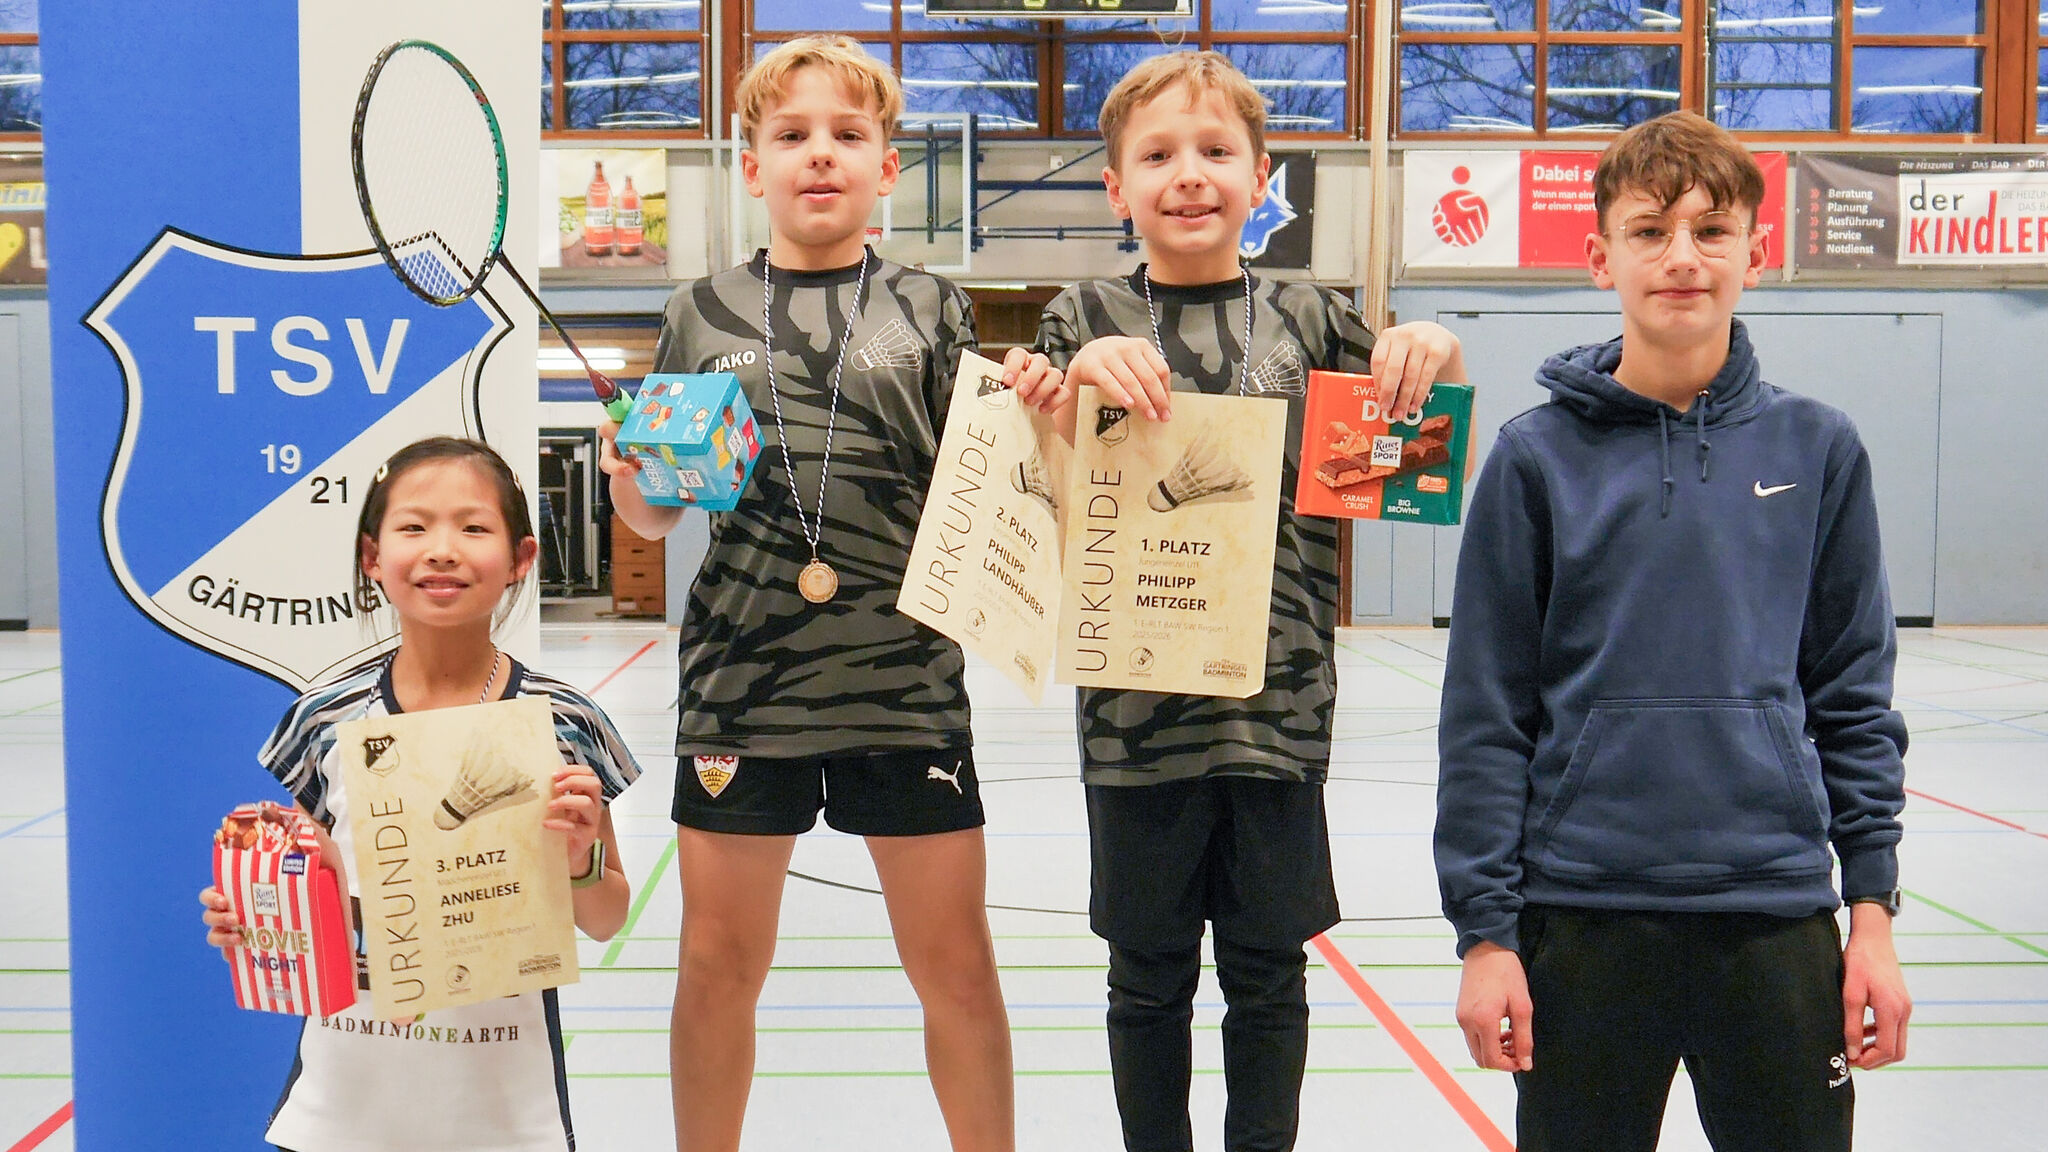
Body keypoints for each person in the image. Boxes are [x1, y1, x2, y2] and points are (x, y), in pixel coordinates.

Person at [596, 35, 1062, 1152]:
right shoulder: (699, 311)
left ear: (887, 168)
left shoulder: (931, 306)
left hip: (904, 682)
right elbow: (656, 516)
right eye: (791, 134)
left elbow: (993, 483)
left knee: (956, 965)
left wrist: (1042, 410)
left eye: (848, 135)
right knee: (716, 964)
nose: (820, 154)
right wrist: (627, 477)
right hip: (741, 684)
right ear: (751, 166)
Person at [1435, 111, 1911, 1152]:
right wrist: (1484, 936)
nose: (1682, 257)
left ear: (1756, 253)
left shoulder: (1819, 449)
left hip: (1776, 911)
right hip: (1581, 917)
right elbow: (1484, 715)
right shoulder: (1532, 459)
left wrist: (1871, 912)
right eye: (1650, 231)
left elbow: (1852, 699)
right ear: (1598, 255)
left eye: (1711, 230)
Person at [1035, 51, 1464, 1152]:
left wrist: (1435, 351)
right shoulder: (1080, 316)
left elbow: (1417, 452)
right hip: (1132, 723)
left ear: (1260, 178)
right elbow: (1027, 476)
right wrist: (1066, 380)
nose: (1188, 174)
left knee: (1269, 976)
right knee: (1145, 980)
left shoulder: (1311, 317)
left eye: (1216, 151)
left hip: (1277, 719)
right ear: (1116, 187)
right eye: (1157, 155)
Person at [199, 436, 640, 1152]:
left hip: (505, 1111)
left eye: (473, 527)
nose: (441, 550)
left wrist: (579, 860)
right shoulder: (325, 718)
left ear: (521, 558)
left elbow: (606, 918)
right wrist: (257, 920)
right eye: (414, 527)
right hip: (342, 1104)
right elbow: (315, 892)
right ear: (373, 557)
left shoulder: (563, 721)